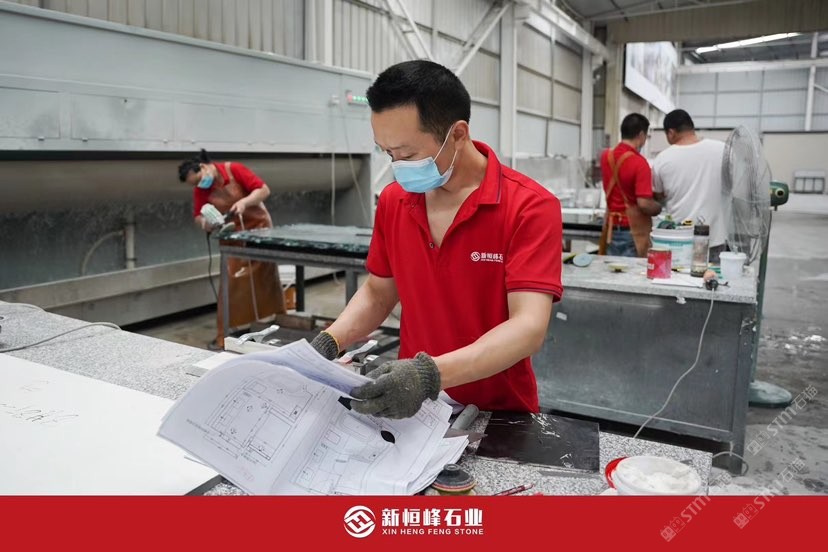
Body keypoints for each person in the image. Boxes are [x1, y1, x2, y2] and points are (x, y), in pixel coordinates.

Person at [310, 60, 563, 419]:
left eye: (408, 154)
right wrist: (329, 341)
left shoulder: (529, 207)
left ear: (458, 134)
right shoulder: (395, 201)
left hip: (498, 413)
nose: (398, 165)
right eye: (388, 153)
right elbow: (379, 293)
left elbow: (528, 327)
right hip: (413, 407)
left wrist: (428, 375)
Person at [178, 150, 285, 350]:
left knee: (265, 282)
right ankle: (228, 336)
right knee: (232, 285)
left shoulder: (234, 170)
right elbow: (198, 216)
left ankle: (272, 327)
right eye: (195, 184)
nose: (199, 185)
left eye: (198, 180)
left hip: (258, 231)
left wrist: (244, 202)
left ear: (203, 167)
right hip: (232, 238)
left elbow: (263, 190)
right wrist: (207, 223)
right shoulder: (201, 190)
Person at [652, 109, 727, 261]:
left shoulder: (662, 159)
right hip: (715, 240)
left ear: (671, 132)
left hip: (678, 242)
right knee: (713, 276)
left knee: (678, 276)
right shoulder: (723, 149)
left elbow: (658, 195)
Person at [598, 113, 662, 257]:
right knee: (632, 271)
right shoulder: (640, 163)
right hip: (633, 233)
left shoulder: (605, 156)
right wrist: (658, 207)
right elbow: (644, 204)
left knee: (611, 269)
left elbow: (620, 187)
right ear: (641, 135)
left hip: (610, 229)